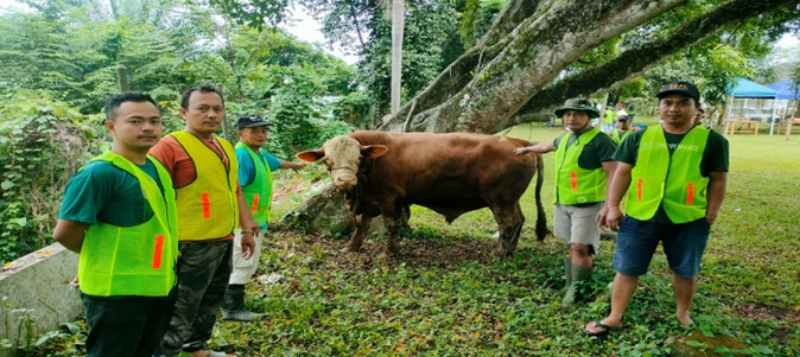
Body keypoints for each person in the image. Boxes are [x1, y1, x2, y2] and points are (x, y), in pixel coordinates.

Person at [585, 81, 729, 337]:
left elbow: (718, 178)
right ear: (660, 107)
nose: (674, 108)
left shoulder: (713, 141)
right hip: (641, 215)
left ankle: (682, 314)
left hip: (689, 218)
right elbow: (623, 172)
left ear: (696, 108)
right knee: (627, 268)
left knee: (685, 271)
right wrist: (613, 205)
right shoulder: (638, 136)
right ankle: (615, 316)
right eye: (668, 103)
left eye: (683, 103)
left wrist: (713, 210)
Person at [54, 93, 178, 356]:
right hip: (116, 294)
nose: (147, 128)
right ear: (111, 126)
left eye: (154, 121)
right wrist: (100, 255)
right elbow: (66, 233)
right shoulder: (98, 173)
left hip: (159, 284)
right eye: (135, 121)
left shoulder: (156, 167)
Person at [150, 85, 258, 357]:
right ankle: (165, 352)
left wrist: (246, 228)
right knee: (181, 306)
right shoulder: (169, 147)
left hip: (222, 239)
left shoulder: (224, 145)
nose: (211, 114)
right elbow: (150, 195)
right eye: (202, 108)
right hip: (189, 244)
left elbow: (234, 189)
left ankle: (195, 347)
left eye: (217, 109)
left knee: (211, 300)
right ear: (184, 112)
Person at [515, 98, 617, 308]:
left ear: (589, 117)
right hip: (563, 202)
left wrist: (610, 205)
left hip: (588, 204)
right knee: (570, 245)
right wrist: (527, 149)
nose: (572, 118)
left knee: (581, 247)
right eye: (568, 114)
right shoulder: (565, 138)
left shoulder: (600, 141)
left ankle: (578, 290)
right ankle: (573, 284)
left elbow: (614, 173)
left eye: (578, 114)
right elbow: (547, 146)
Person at [223, 116, 305, 321]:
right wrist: (247, 224)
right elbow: (235, 189)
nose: (261, 135)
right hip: (245, 222)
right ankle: (232, 308)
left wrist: (298, 165)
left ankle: (228, 302)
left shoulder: (258, 153)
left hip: (255, 221)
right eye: (254, 131)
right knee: (242, 262)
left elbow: (276, 162)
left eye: (263, 131)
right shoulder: (242, 154)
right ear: (241, 133)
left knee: (244, 261)